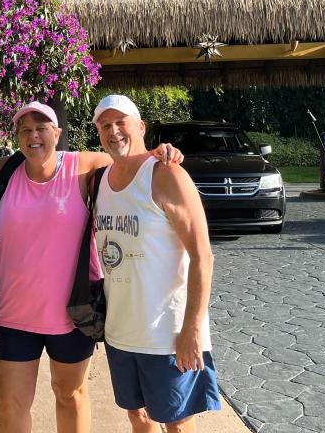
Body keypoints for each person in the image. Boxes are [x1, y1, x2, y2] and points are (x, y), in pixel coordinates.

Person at [0, 102, 183, 433]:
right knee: (10, 405)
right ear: (18, 137)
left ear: (57, 134)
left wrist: (159, 153)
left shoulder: (80, 167)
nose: (33, 136)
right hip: (16, 316)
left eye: (42, 128)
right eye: (25, 130)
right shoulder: (7, 170)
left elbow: (127, 160)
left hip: (73, 314)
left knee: (70, 396)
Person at [92, 94, 221, 433]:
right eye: (106, 125)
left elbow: (203, 255)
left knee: (177, 422)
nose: (114, 131)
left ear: (141, 126)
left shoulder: (166, 174)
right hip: (121, 332)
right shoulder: (101, 180)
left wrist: (192, 328)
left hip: (167, 334)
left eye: (122, 122)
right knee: (139, 415)